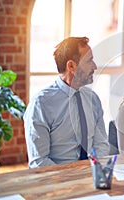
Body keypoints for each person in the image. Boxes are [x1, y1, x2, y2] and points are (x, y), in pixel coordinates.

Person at [24, 37, 109, 168]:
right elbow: (39, 162)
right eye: (89, 61)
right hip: (55, 181)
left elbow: (101, 145)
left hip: (91, 176)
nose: (95, 66)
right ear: (71, 66)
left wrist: (94, 171)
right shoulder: (41, 104)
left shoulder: (93, 99)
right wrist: (71, 176)